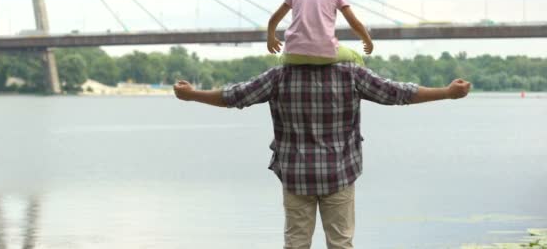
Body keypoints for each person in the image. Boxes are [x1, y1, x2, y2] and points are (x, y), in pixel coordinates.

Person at [173, 63, 470, 249]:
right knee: (341, 243)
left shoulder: (279, 76)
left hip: (296, 175)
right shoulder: (351, 74)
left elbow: (233, 96)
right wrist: (446, 92)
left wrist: (191, 95)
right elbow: (398, 93)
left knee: (296, 244)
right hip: (339, 174)